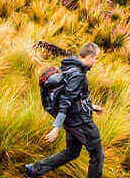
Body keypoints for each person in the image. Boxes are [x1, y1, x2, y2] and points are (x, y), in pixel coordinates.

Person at [22, 43, 105, 178]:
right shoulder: (78, 74)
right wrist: (56, 127)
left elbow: (74, 96)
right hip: (80, 122)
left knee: (72, 152)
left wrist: (92, 106)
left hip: (72, 120)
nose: (96, 61)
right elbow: (65, 101)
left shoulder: (69, 67)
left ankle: (34, 170)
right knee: (97, 155)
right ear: (89, 57)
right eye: (96, 58)